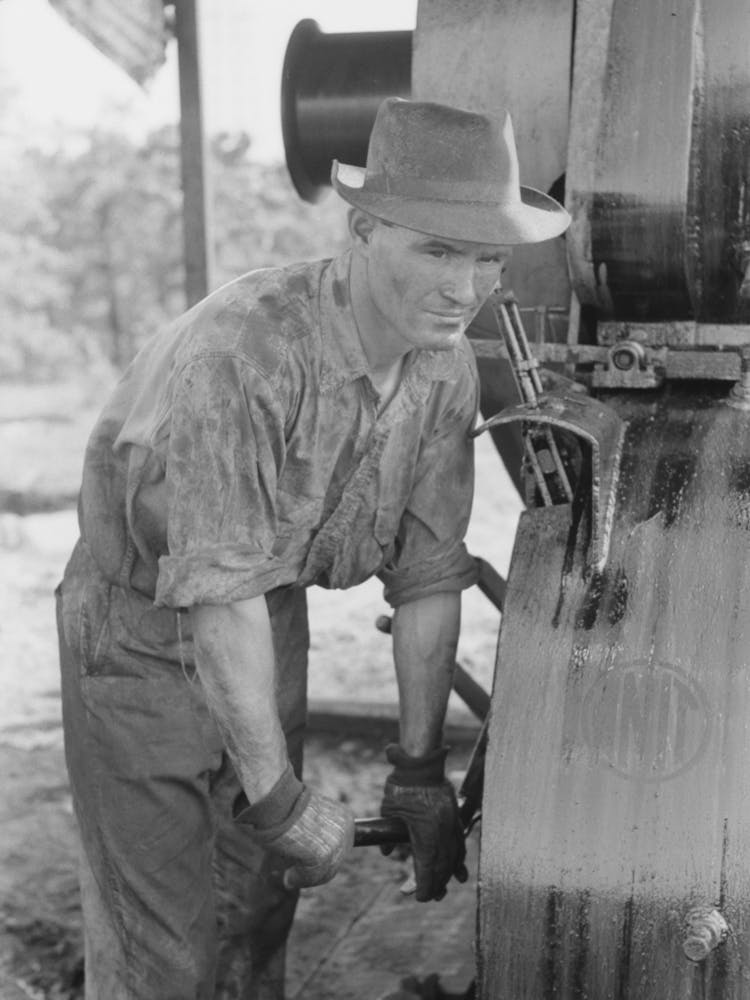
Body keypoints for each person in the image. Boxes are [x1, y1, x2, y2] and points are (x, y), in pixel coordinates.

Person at [55, 97, 569, 999]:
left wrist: (417, 770)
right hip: (136, 636)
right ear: (364, 229)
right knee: (160, 951)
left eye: (488, 256)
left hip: (267, 609)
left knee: (259, 904)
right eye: (438, 250)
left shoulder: (443, 365)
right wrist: (283, 798)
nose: (467, 286)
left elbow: (429, 575)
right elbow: (217, 596)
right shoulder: (247, 353)